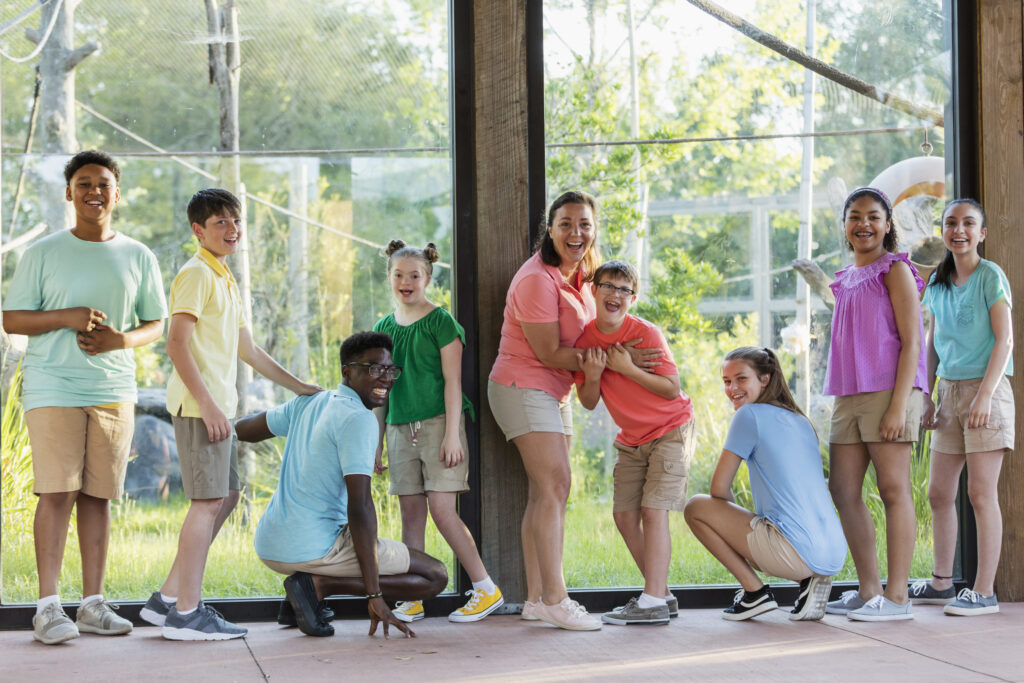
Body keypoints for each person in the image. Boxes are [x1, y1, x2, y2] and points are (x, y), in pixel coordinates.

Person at [2, 150, 168, 644]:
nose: (93, 191)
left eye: (102, 184)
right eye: (83, 183)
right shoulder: (44, 253)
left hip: (114, 389)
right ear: (68, 193)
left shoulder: (138, 254)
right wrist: (66, 316)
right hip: (53, 385)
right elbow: (13, 319)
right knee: (58, 492)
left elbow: (155, 323)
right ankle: (48, 608)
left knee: (99, 497)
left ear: (116, 194)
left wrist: (122, 340)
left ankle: (93, 604)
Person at [140, 188, 321, 640]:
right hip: (201, 409)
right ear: (198, 230)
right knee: (206, 503)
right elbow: (176, 344)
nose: (232, 229)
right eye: (220, 222)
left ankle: (165, 601)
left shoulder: (224, 276)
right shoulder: (196, 274)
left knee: (228, 496)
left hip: (218, 410)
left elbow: (249, 350)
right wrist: (208, 405)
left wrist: (299, 387)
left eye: (236, 221)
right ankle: (186, 613)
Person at [487, 191, 659, 631]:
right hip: (523, 384)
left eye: (584, 224)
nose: (575, 232)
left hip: (554, 391)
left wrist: (622, 356)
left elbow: (597, 331)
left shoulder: (583, 277)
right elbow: (547, 351)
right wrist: (621, 360)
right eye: (565, 224)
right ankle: (557, 599)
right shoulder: (536, 280)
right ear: (550, 229)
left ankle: (535, 599)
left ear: (594, 228)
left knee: (547, 492)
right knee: (555, 484)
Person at [237, 332, 448, 638]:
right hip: (312, 547)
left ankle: (303, 593)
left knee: (372, 548)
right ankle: (320, 584)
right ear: (347, 372)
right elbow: (360, 507)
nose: (386, 378)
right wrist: (375, 595)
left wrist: (219, 423)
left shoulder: (310, 402)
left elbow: (244, 430)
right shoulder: (359, 418)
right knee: (434, 577)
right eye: (374, 369)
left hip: (270, 542)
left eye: (390, 370)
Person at [372, 241, 502, 624]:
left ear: (428, 278)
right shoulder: (383, 327)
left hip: (439, 426)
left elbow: (452, 382)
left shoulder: (441, 322)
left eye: (414, 275)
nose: (406, 281)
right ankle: (413, 595)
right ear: (389, 278)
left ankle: (485, 588)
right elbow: (381, 392)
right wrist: (375, 442)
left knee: (442, 511)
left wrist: (451, 435)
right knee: (410, 513)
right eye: (398, 275)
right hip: (398, 429)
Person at [824, 187, 929, 622]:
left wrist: (898, 405)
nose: (863, 224)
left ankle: (898, 597)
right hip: (849, 395)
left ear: (888, 224)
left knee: (892, 489)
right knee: (843, 490)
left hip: (891, 392)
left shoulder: (895, 270)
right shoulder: (845, 278)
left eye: (872, 216)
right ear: (846, 226)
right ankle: (870, 590)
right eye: (854, 216)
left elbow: (913, 342)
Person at [574, 260, 695, 626]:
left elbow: (672, 389)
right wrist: (595, 373)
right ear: (593, 290)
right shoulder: (585, 340)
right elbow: (589, 400)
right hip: (631, 439)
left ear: (633, 297)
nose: (615, 294)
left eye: (624, 289)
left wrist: (627, 369)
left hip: (671, 429)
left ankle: (652, 599)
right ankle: (661, 594)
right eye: (608, 286)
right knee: (624, 515)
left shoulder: (646, 333)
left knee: (653, 510)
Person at [685, 347, 846, 621]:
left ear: (765, 379)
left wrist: (733, 528)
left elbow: (718, 489)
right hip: (833, 551)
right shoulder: (801, 420)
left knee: (695, 507)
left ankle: (754, 593)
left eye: (741, 379)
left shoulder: (749, 416)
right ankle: (809, 582)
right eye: (726, 381)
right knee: (772, 522)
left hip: (792, 551)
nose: (732, 388)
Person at [911, 199, 1013, 616]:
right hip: (949, 393)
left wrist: (985, 396)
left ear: (982, 233)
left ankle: (984, 592)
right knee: (938, 493)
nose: (960, 230)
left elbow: (1004, 341)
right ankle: (940, 584)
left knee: (979, 493)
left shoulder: (991, 277)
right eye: (951, 223)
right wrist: (925, 392)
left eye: (969, 223)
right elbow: (932, 343)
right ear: (944, 231)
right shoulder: (937, 281)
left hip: (986, 389)